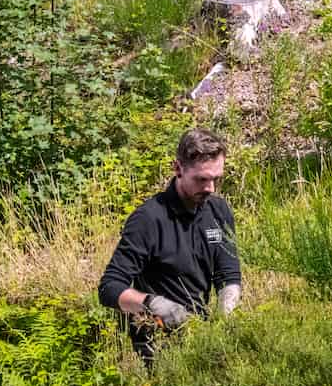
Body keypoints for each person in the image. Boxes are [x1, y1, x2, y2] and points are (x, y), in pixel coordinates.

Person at [98, 128, 242, 363]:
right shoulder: (148, 219)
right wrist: (154, 304)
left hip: (202, 338)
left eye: (216, 179)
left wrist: (224, 317)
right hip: (157, 346)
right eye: (201, 179)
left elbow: (228, 275)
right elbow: (109, 288)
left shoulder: (218, 210)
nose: (210, 188)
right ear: (178, 168)